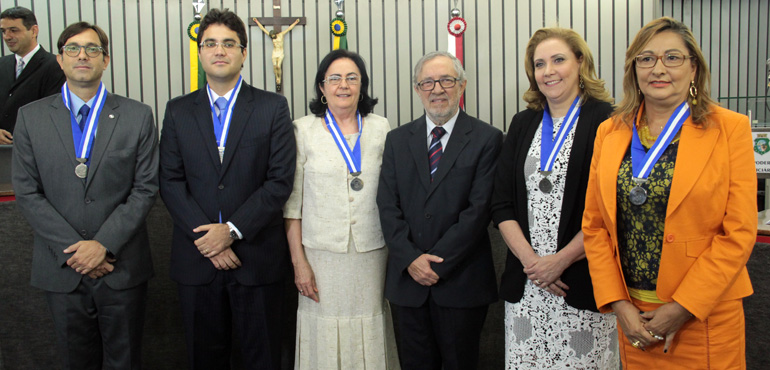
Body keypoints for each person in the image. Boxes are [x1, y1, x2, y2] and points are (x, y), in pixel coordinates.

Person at [582, 17, 756, 369]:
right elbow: (595, 226)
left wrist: (682, 309)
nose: (658, 69)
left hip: (704, 319)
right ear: (634, 70)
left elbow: (738, 232)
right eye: (646, 59)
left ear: (694, 67)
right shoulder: (610, 132)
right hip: (635, 323)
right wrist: (619, 305)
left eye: (672, 58)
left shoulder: (730, 129)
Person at [12, 21, 158, 368]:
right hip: (62, 268)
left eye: (93, 49)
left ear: (105, 60)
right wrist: (78, 253)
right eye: (73, 49)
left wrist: (102, 245)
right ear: (60, 60)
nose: (82, 55)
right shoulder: (30, 118)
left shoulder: (137, 116)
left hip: (121, 266)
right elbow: (28, 192)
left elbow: (145, 187)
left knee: (125, 361)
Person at [159, 8, 295, 370]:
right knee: (204, 359)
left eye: (229, 43)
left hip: (256, 259)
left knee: (262, 358)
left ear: (244, 53)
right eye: (211, 43)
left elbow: (279, 180)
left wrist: (232, 231)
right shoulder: (177, 111)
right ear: (200, 52)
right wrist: (208, 239)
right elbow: (170, 182)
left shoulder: (272, 108)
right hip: (196, 259)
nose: (220, 50)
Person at [491, 27, 618, 369]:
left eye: (558, 60)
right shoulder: (522, 123)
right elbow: (501, 203)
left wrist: (560, 261)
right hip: (528, 285)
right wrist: (533, 263)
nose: (548, 71)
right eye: (539, 64)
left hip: (579, 282)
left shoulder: (607, 120)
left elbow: (611, 210)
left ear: (580, 61)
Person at [377, 51, 502, 370]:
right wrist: (411, 259)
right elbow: (387, 206)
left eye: (446, 80)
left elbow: (479, 210)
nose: (437, 89)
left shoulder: (488, 139)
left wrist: (435, 263)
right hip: (408, 283)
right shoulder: (396, 140)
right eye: (428, 82)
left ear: (461, 85)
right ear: (417, 89)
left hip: (462, 282)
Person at [283, 49, 399, 369]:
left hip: (371, 251)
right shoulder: (302, 130)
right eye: (334, 78)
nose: (343, 85)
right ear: (322, 88)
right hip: (320, 255)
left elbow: (393, 192)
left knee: (370, 325)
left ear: (362, 86)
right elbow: (293, 206)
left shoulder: (380, 127)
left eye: (352, 78)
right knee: (323, 326)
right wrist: (298, 263)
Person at [0, 6, 65, 144]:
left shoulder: (55, 66)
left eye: (13, 30)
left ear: (34, 31)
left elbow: (53, 113)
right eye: (3, 31)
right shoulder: (1, 64)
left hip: (36, 149)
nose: (7, 36)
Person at [253, 17, 300, 91]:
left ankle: (279, 80)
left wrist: (295, 22)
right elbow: (263, 29)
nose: (273, 38)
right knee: (274, 66)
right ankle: (277, 79)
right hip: (274, 53)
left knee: (278, 66)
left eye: (273, 37)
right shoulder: (272, 36)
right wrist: (256, 21)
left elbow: (289, 29)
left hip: (280, 53)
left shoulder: (281, 35)